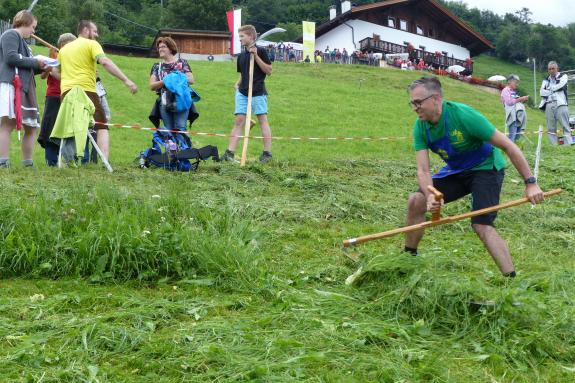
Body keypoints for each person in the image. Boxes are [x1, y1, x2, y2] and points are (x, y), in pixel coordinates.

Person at [405, 77, 544, 277]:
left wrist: (531, 183)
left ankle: (512, 280)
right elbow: (423, 170)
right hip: (457, 170)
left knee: (481, 224)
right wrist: (430, 195)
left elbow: (508, 145)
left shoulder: (463, 116)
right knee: (415, 201)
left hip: (486, 167)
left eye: (418, 102)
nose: (415, 108)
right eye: (413, 103)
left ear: (436, 98)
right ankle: (408, 260)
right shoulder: (421, 126)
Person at [56, 20, 138, 161]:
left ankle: (68, 161)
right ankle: (104, 160)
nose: (97, 35)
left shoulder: (63, 50)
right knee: (102, 125)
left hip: (66, 94)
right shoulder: (92, 44)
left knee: (73, 125)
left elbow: (55, 71)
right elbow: (105, 62)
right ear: (86, 30)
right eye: (94, 31)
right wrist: (126, 80)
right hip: (86, 91)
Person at [0, 10, 47, 168]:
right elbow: (11, 57)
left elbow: (28, 66)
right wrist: (36, 61)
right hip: (13, 84)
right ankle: (3, 162)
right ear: (25, 23)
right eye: (33, 27)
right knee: (7, 124)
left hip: (26, 87)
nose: (33, 31)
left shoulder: (24, 43)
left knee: (32, 127)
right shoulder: (10, 35)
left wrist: (45, 67)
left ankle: (28, 163)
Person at [221, 25, 273, 164]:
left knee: (262, 120)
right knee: (239, 121)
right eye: (239, 37)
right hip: (243, 92)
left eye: (242, 36)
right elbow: (244, 74)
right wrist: (238, 83)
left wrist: (256, 56)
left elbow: (268, 71)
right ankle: (229, 153)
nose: (240, 39)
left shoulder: (261, 51)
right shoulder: (242, 56)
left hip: (258, 91)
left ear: (251, 36)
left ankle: (267, 154)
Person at [37, 33, 77, 166]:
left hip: (69, 95)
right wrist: (49, 67)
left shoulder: (73, 58)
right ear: (63, 45)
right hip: (54, 96)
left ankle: (66, 159)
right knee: (50, 128)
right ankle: (51, 160)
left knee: (66, 129)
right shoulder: (54, 55)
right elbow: (43, 76)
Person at [149, 37, 194, 134]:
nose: (160, 49)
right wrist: (165, 81)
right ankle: (171, 149)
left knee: (180, 128)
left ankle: (183, 149)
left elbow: (191, 80)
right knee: (168, 130)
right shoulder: (157, 66)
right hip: (165, 101)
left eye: (163, 47)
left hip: (181, 99)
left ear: (170, 48)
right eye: (159, 47)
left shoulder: (182, 63)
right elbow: (152, 86)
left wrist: (175, 79)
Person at [539, 61, 572, 145]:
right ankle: (553, 145)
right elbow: (541, 93)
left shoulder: (563, 76)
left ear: (557, 69)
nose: (551, 70)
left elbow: (562, 85)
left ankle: (568, 144)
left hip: (561, 104)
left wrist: (549, 89)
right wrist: (553, 89)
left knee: (565, 125)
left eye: (553, 68)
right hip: (549, 104)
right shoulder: (546, 80)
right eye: (549, 69)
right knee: (551, 127)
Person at [500, 74, 529, 143]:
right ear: (509, 82)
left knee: (517, 135)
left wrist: (523, 100)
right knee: (512, 136)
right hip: (512, 116)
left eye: (517, 82)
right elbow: (509, 102)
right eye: (516, 82)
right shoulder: (505, 90)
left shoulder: (513, 92)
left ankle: (511, 147)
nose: (517, 84)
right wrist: (520, 99)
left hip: (518, 115)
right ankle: (508, 147)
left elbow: (516, 103)